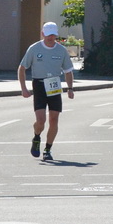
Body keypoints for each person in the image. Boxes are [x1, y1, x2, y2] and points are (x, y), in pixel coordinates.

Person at [18, 21, 75, 162]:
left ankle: (48, 149)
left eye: (53, 35)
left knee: (54, 119)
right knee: (41, 120)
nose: (51, 38)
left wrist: (70, 88)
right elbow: (22, 68)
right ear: (43, 34)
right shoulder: (34, 48)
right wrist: (24, 88)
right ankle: (36, 137)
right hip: (39, 84)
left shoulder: (61, 50)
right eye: (48, 35)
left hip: (54, 85)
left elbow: (68, 71)